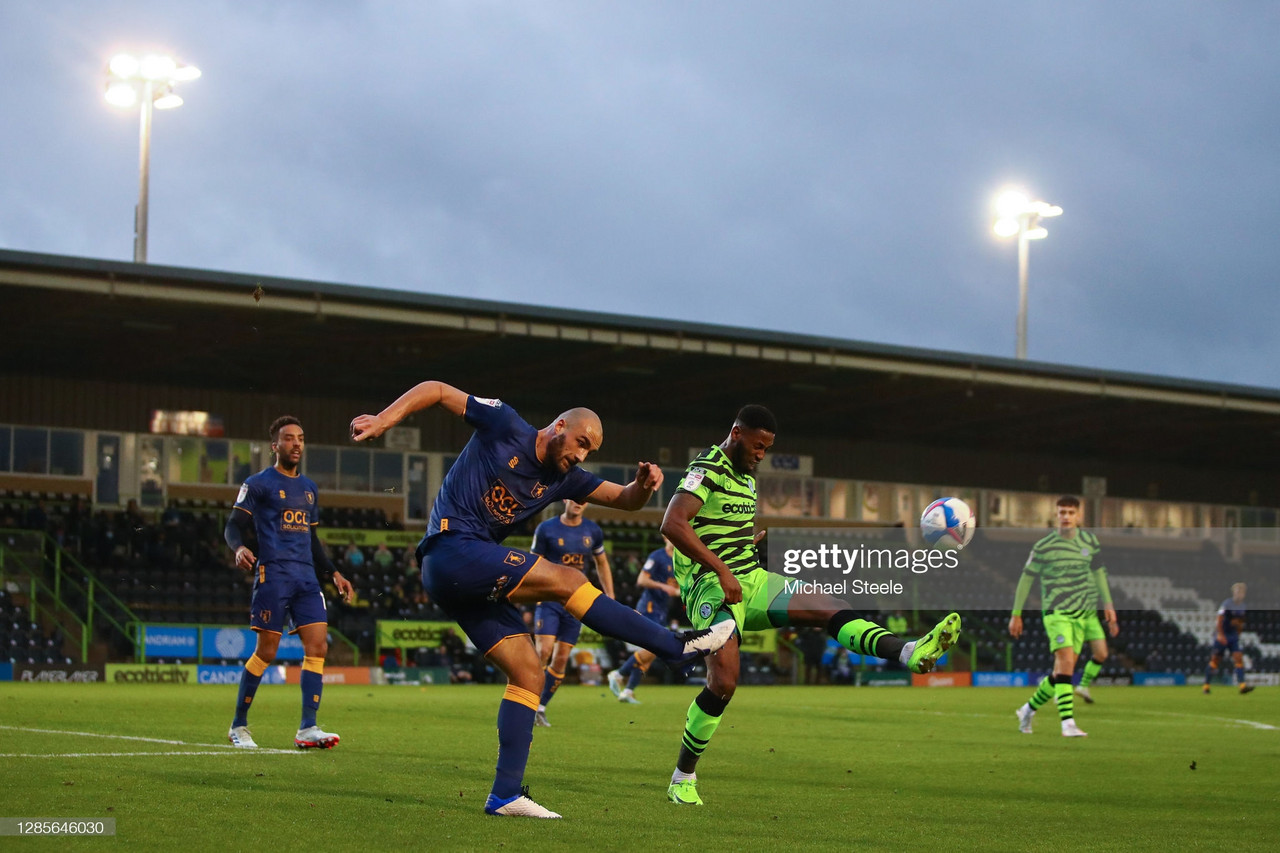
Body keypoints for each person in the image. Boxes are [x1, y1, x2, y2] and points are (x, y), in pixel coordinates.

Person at [350, 381, 734, 819]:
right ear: (559, 426)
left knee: (529, 672)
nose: (582, 455)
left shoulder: (565, 478)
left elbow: (625, 500)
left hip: (468, 580)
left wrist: (644, 486)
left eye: (590, 451)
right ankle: (673, 646)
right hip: (451, 549)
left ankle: (505, 795)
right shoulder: (503, 422)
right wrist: (385, 419)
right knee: (568, 579)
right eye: (581, 443)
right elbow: (437, 390)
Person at [660, 405, 960, 806]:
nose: (761, 454)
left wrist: (742, 548)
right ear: (736, 433)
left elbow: (717, 530)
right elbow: (673, 523)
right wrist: (722, 569)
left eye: (767, 448)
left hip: (751, 578)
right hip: (711, 587)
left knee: (828, 605)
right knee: (724, 682)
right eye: (757, 445)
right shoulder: (707, 466)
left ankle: (908, 651)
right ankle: (682, 777)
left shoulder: (747, 477)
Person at [223, 416, 354, 750]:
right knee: (266, 652)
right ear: (275, 446)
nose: (296, 444)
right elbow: (233, 526)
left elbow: (312, 540)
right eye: (289, 438)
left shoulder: (309, 489)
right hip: (274, 576)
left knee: (318, 646)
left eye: (301, 438)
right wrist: (239, 548)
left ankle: (307, 727)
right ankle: (239, 725)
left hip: (306, 578)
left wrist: (334, 573)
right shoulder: (258, 483)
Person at [1009, 495, 1118, 737]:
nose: (1066, 517)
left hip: (1082, 615)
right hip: (1056, 613)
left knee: (1061, 672)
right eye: (1062, 512)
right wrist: (1016, 614)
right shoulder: (1043, 547)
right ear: (1056, 515)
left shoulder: (1090, 542)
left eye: (1070, 512)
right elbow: (1025, 579)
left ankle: (1027, 709)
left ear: (1078, 516)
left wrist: (1108, 604)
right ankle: (1067, 723)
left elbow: (1099, 574)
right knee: (1066, 661)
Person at [530, 499, 613, 726]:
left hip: (576, 601)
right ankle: (526, 702)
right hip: (549, 599)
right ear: (566, 498)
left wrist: (610, 595)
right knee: (544, 651)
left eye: (583, 499)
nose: (578, 503)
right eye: (575, 498)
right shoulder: (546, 529)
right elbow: (534, 563)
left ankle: (540, 707)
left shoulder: (592, 531)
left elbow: (602, 563)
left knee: (562, 658)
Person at [608, 537, 680, 703]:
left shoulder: (681, 560)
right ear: (665, 537)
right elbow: (641, 580)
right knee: (655, 647)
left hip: (662, 609)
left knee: (650, 652)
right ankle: (619, 674)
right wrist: (663, 586)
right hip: (649, 607)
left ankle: (628, 690)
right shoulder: (657, 556)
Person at [1203, 583, 1254, 694]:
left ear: (1244, 594)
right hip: (1223, 634)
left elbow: (1240, 621)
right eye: (1237, 592)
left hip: (1233, 636)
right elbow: (1219, 620)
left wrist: (1238, 632)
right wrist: (1220, 635)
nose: (1238, 594)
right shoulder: (1227, 604)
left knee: (1238, 658)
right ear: (1233, 593)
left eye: (1240, 592)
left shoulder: (1243, 606)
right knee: (1215, 660)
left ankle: (1242, 686)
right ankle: (1206, 686)